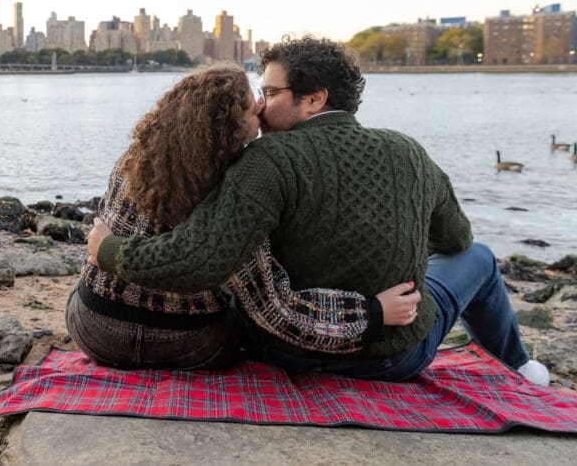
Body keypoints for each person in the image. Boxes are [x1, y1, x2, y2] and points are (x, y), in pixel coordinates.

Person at [86, 37, 549, 385]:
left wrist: (106, 249)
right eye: (260, 96)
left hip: (281, 350)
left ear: (314, 98)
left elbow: (208, 256)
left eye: (270, 93)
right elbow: (455, 239)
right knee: (480, 257)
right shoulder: (408, 150)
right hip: (392, 356)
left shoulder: (260, 162)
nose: (261, 108)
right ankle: (521, 367)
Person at [67, 63, 420, 370]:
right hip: (192, 347)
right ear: (231, 131)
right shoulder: (239, 188)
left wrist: (108, 250)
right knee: (243, 304)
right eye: (254, 109)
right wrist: (371, 315)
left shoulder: (135, 162)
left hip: (95, 332)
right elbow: (275, 310)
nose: (263, 110)